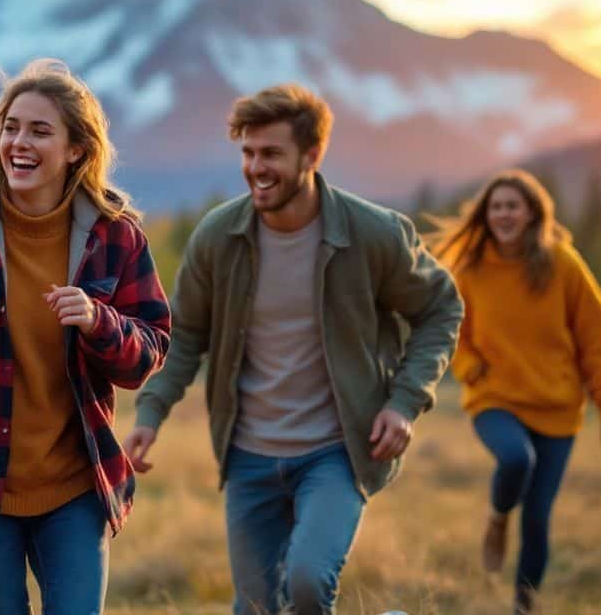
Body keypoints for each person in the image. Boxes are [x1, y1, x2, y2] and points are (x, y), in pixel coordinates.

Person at [124, 84, 463, 615]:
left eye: (271, 154)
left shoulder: (372, 234)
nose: (256, 167)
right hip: (248, 456)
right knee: (255, 607)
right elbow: (187, 334)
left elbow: (441, 309)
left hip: (335, 452)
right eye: (248, 153)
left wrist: (404, 402)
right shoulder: (219, 237)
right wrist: (152, 411)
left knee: (307, 584)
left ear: (312, 155)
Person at [0, 59, 172, 615]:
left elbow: (149, 352)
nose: (19, 141)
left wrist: (100, 322)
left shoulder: (117, 239)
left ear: (75, 150)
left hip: (74, 490)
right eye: (12, 128)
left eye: (40, 131)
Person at [430, 169, 601, 614]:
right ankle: (498, 519)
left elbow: (597, 339)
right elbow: (450, 330)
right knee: (517, 459)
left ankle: (524, 606)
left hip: (558, 407)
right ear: (485, 214)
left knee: (537, 518)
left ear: (533, 213)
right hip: (494, 398)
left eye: (512, 206)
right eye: (496, 206)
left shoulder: (564, 264)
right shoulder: (470, 270)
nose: (503, 214)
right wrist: (471, 366)